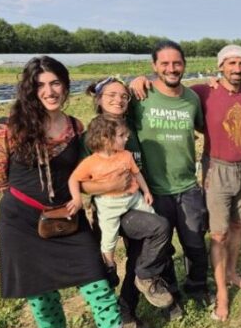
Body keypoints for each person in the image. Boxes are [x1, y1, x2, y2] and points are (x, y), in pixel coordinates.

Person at [0, 56, 152, 328]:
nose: (49, 91)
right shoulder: (6, 129)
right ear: (29, 90)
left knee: (97, 282)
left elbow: (89, 173)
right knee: (40, 292)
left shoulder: (76, 129)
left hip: (68, 217)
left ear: (65, 85)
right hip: (20, 222)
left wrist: (99, 187)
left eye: (55, 83)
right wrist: (33, 202)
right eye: (41, 85)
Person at [80, 76, 173, 328]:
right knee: (110, 264)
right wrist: (108, 187)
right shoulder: (91, 136)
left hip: (135, 201)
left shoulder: (128, 128)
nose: (118, 100)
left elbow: (159, 83)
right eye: (111, 95)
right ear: (98, 99)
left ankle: (128, 308)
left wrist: (143, 79)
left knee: (139, 256)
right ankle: (113, 314)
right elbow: (81, 183)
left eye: (123, 96)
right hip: (109, 209)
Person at [128, 41, 211, 319]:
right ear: (154, 66)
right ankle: (170, 297)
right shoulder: (140, 97)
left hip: (187, 185)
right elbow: (108, 103)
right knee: (161, 248)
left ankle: (197, 288)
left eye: (176, 63)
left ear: (184, 65)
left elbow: (202, 126)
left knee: (195, 243)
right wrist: (132, 83)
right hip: (153, 189)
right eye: (164, 63)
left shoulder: (191, 99)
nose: (171, 68)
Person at [192, 44, 241, 321]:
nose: (237, 69)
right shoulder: (203, 91)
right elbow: (169, 91)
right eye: (231, 63)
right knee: (219, 233)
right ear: (220, 66)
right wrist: (139, 81)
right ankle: (222, 293)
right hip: (217, 168)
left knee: (237, 225)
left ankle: (232, 272)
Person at [70, 114, 173, 308]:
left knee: (158, 223)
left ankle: (154, 261)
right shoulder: (92, 162)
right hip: (110, 205)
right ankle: (110, 265)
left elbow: (136, 173)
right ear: (106, 139)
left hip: (133, 198)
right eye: (122, 136)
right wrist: (77, 199)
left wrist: (146, 191)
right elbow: (74, 179)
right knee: (109, 237)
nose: (126, 138)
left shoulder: (125, 155)